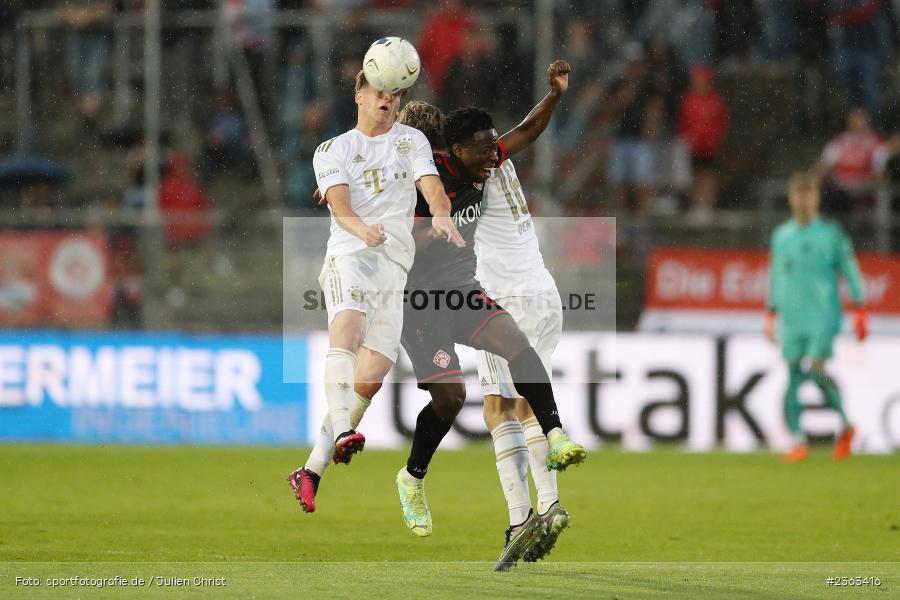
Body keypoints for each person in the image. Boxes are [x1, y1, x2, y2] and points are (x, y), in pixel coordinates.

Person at [395, 61, 585, 545]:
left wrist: (556, 97)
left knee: (504, 400)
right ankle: (416, 478)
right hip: (437, 301)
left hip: (486, 291)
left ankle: (529, 512)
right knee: (457, 399)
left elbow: (525, 130)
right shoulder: (420, 184)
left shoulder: (475, 163)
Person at [286, 69, 464, 511]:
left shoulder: (411, 142)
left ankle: (310, 471)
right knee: (346, 329)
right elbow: (341, 206)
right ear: (359, 95)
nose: (387, 99)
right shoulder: (333, 149)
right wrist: (363, 230)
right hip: (350, 255)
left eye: (395, 93)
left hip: (394, 270)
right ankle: (344, 431)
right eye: (379, 91)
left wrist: (441, 213)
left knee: (370, 379)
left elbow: (434, 188)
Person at [765, 172, 867, 463]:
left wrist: (860, 308)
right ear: (791, 197)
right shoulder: (781, 236)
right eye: (799, 194)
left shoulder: (831, 233)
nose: (803, 200)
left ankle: (846, 425)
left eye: (808, 194)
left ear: (817, 198)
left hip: (823, 315)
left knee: (816, 369)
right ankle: (799, 440)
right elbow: (776, 277)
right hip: (792, 316)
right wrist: (770, 314)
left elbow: (850, 269)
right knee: (794, 374)